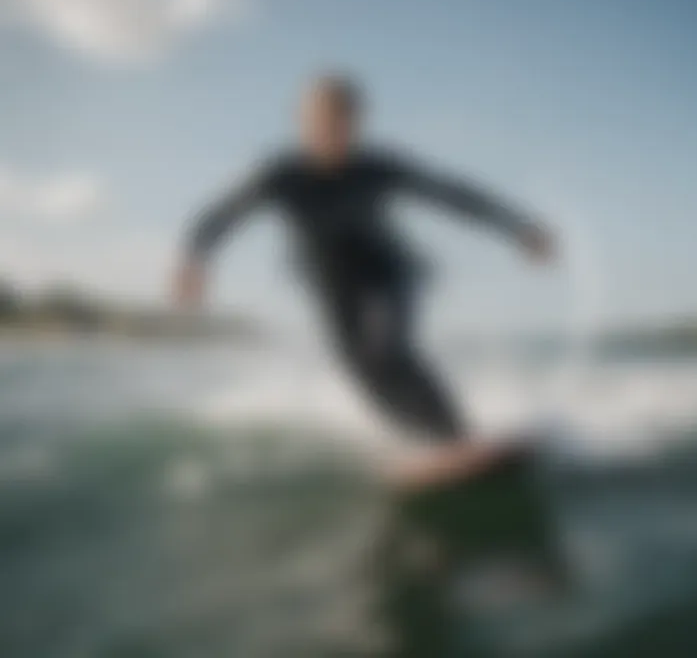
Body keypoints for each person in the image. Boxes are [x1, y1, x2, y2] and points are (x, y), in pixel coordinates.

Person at [172, 74, 557, 488]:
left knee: (389, 349)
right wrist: (195, 259)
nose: (329, 132)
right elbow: (221, 213)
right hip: (330, 285)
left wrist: (519, 228)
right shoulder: (279, 175)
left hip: (389, 273)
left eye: (340, 122)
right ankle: (431, 444)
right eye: (319, 122)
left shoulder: (377, 168)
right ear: (302, 123)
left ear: (357, 124)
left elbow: (453, 194)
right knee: (360, 370)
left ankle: (459, 439)